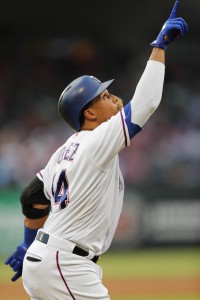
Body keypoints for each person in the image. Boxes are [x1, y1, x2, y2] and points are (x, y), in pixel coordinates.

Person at [5, 1, 188, 299]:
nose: (116, 100)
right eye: (105, 96)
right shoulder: (96, 140)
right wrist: (159, 47)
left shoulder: (64, 151)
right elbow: (145, 105)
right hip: (66, 265)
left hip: (50, 259)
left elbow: (32, 198)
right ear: (89, 114)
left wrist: (28, 244)